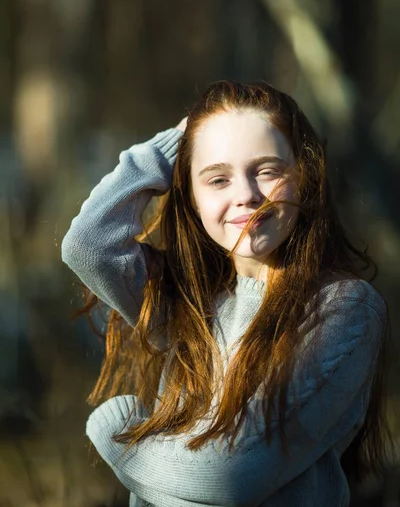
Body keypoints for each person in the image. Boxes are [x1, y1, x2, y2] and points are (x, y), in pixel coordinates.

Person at [61, 80, 392, 507]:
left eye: (267, 171)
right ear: (192, 198)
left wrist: (120, 439)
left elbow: (230, 478)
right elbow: (88, 245)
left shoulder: (345, 311)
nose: (246, 195)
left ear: (305, 178)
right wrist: (182, 139)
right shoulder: (190, 304)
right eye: (217, 179)